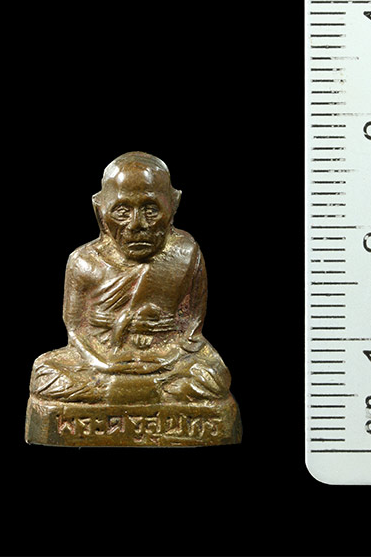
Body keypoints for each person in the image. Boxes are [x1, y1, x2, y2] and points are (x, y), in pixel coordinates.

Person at [30, 152, 231, 404]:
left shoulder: (185, 253)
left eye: (151, 210)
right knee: (45, 372)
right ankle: (150, 394)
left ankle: (117, 393)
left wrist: (165, 357)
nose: (137, 224)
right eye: (122, 211)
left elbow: (192, 328)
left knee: (213, 375)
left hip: (167, 361)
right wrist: (105, 362)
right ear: (99, 209)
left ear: (174, 204)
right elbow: (76, 331)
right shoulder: (84, 261)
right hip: (101, 361)